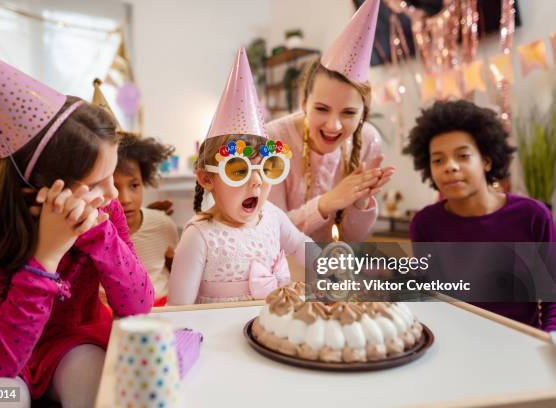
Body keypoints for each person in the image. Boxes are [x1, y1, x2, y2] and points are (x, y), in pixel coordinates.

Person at [0, 30, 153, 407]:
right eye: (95, 183)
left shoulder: (105, 213)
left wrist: (99, 235)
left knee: (99, 387)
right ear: (37, 188)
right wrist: (46, 259)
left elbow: (138, 305)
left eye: (112, 176)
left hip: (71, 342)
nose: (112, 194)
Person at [168, 49, 312, 305]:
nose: (257, 181)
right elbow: (179, 312)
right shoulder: (198, 237)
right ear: (206, 178)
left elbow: (309, 251)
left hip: (272, 333)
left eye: (266, 167)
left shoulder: (273, 217)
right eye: (238, 170)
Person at [406, 99, 556, 332]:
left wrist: (548, 344)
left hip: (521, 345)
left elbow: (552, 300)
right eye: (438, 160)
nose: (450, 166)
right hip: (456, 344)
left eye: (463, 156)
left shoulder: (533, 216)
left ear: (486, 160)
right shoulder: (425, 224)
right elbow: (431, 297)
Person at [267, 0, 394, 243]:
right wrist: (326, 203)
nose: (333, 126)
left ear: (363, 114)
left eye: (348, 113)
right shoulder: (274, 139)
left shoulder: (368, 140)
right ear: (304, 102)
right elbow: (269, 232)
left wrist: (360, 202)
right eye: (322, 109)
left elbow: (353, 240)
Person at [115, 131, 178, 305]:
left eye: (134, 185)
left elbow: (176, 270)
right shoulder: (93, 232)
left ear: (144, 182)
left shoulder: (163, 224)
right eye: (114, 188)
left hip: (162, 310)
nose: (125, 199)